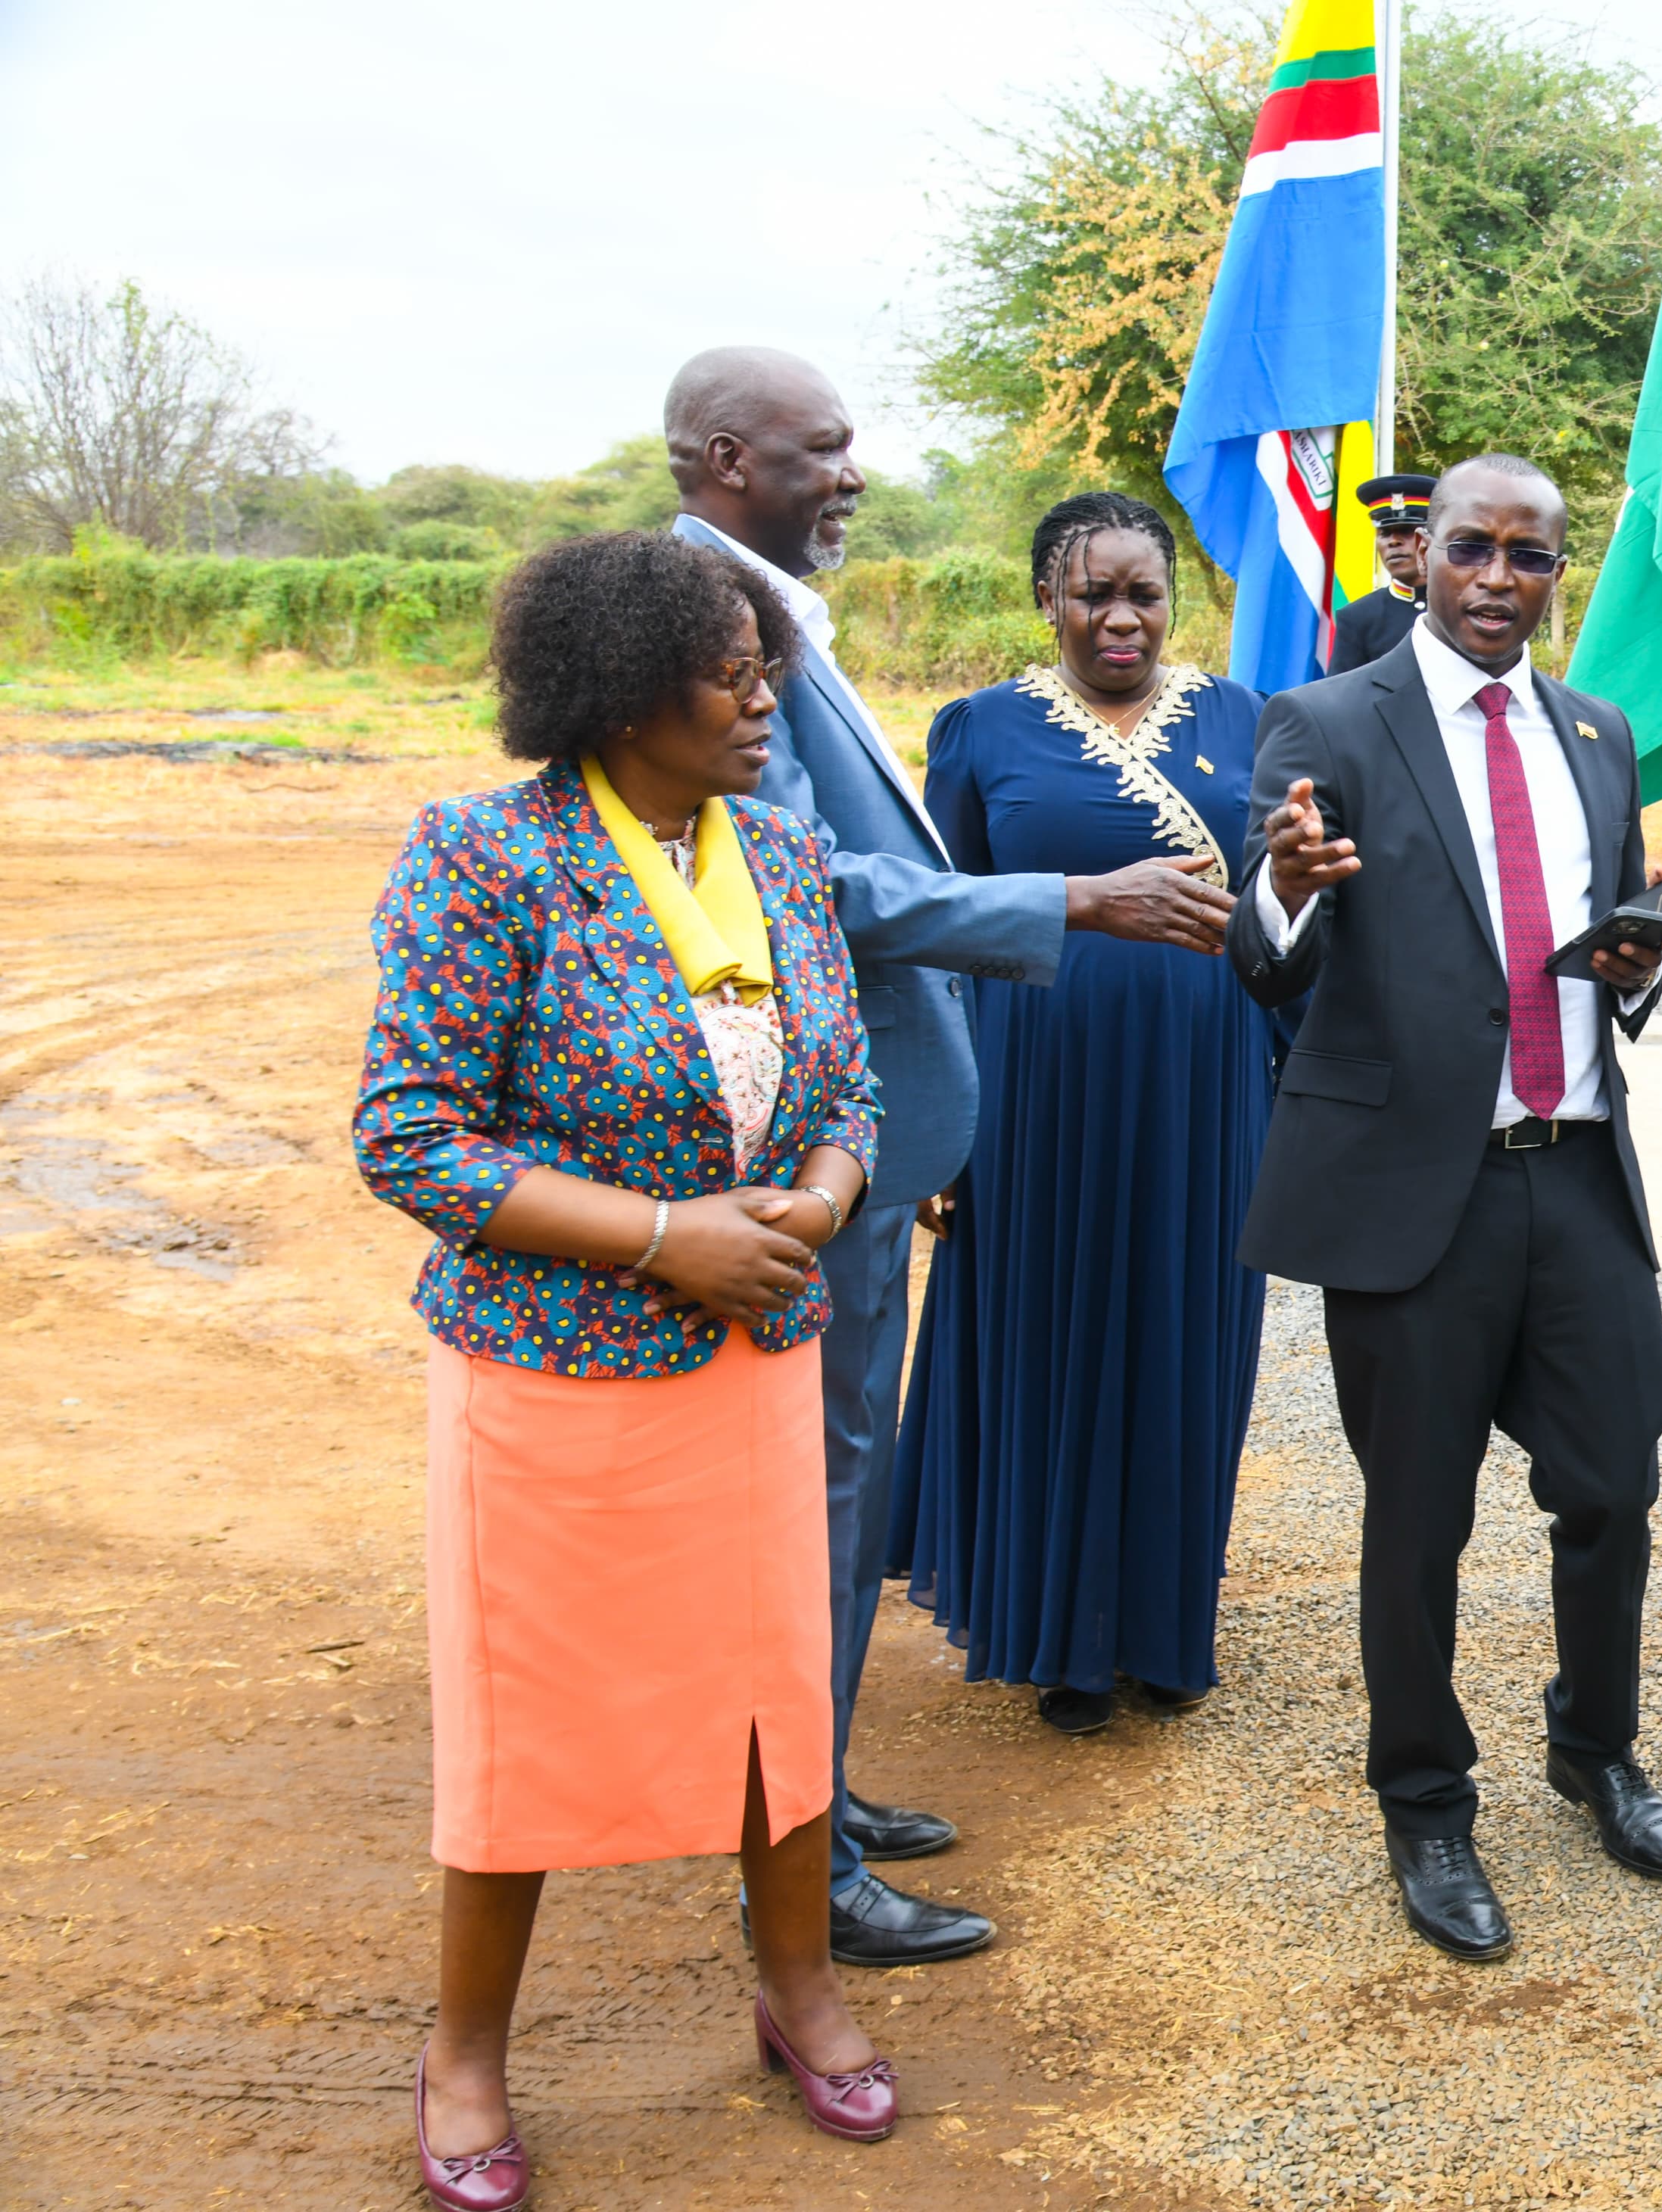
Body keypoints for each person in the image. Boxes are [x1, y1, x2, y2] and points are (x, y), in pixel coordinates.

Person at [666, 347, 1234, 1967]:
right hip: (808, 1152)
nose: (851, 473)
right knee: (829, 1495)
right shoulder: (713, 616)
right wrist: (1072, 900)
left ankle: (818, 1797)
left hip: (873, 1130)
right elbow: (799, 875)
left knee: (830, 1490)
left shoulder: (769, 607)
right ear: (725, 456)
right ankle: (805, 1867)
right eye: (822, 449)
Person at [355, 531, 896, 2207]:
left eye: (769, 661)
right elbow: (409, 1136)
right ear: (618, 689)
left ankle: (798, 1988)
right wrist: (668, 1236)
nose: (766, 691)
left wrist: (813, 1198)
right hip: (560, 1384)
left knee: (772, 1704)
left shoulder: (786, 855)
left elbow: (850, 1095)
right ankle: (466, 2055)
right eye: (731, 668)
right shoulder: (487, 861)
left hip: (753, 1363)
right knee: (533, 1726)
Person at [1227, 453, 1662, 1966]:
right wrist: (1289, 884)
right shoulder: (1330, 721)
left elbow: (1623, 925)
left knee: (1613, 1486)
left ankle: (1595, 1746)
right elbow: (1263, 951)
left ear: (1561, 569)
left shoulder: (1599, 734)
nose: (1499, 579)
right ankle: (1426, 1801)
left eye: (1531, 557)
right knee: (1416, 1520)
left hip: (1576, 1172)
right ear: (1423, 553)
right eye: (1472, 549)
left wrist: (1640, 964)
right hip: (1411, 1197)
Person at [890, 494, 1278, 1733]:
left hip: (1204, 1083)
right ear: (1045, 601)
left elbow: (1279, 918)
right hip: (1031, 1092)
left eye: (1143, 592)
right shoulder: (980, 731)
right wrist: (937, 1130)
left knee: (1182, 1333)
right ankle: (1059, 1636)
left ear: (1176, 600)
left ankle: (1164, 1627)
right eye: (1092, 592)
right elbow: (935, 929)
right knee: (1045, 1332)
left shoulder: (1243, 720)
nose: (1120, 615)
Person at [1329, 472, 1436, 674]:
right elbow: (1338, 699)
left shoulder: (1460, 607)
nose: (1393, 542)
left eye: (1406, 531)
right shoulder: (1357, 618)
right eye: (1384, 533)